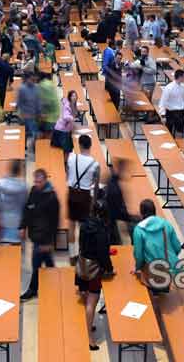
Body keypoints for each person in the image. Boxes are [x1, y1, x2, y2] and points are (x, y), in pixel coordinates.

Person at [132, 199, 181, 322]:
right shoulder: (166, 224)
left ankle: (153, 312)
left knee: (142, 283)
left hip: (152, 273)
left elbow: (138, 255)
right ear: (155, 211)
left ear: (142, 213)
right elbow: (177, 247)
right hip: (168, 271)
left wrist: (138, 268)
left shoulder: (139, 229)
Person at [75, 199, 114, 351]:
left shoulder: (85, 224)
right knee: (92, 301)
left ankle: (88, 324)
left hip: (82, 264)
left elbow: (81, 244)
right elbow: (103, 254)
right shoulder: (102, 230)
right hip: (94, 270)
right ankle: (90, 339)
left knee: (85, 297)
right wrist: (109, 269)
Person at [20, 168, 60, 300]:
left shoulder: (52, 198)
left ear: (45, 180)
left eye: (39, 182)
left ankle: (33, 289)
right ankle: (55, 285)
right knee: (47, 263)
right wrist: (23, 226)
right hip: (35, 234)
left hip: (44, 238)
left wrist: (50, 242)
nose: (37, 184)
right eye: (35, 181)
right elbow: (27, 209)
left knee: (36, 264)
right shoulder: (33, 191)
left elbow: (54, 222)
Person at [67, 134, 99, 263]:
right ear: (90, 146)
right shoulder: (95, 164)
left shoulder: (71, 157)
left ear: (79, 145)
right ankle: (82, 253)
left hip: (72, 192)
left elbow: (68, 174)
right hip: (85, 196)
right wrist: (94, 202)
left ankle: (71, 255)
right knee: (83, 227)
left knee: (71, 224)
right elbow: (95, 185)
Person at [0, 160, 27, 244]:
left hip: (3, 222)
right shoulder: (23, 187)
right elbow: (24, 205)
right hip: (17, 222)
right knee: (16, 253)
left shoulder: (0, 183)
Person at [159, 69, 184, 137]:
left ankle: (179, 146)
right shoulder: (169, 88)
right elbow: (163, 101)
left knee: (180, 132)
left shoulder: (183, 86)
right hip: (171, 112)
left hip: (180, 112)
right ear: (180, 77)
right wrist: (163, 114)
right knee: (169, 133)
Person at [51, 90, 78, 159]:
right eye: (73, 96)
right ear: (69, 97)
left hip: (66, 130)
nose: (74, 97)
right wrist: (72, 119)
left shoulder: (73, 104)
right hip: (61, 131)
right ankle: (64, 163)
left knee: (68, 149)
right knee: (66, 149)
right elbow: (66, 117)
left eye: (75, 96)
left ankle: (65, 162)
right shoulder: (67, 105)